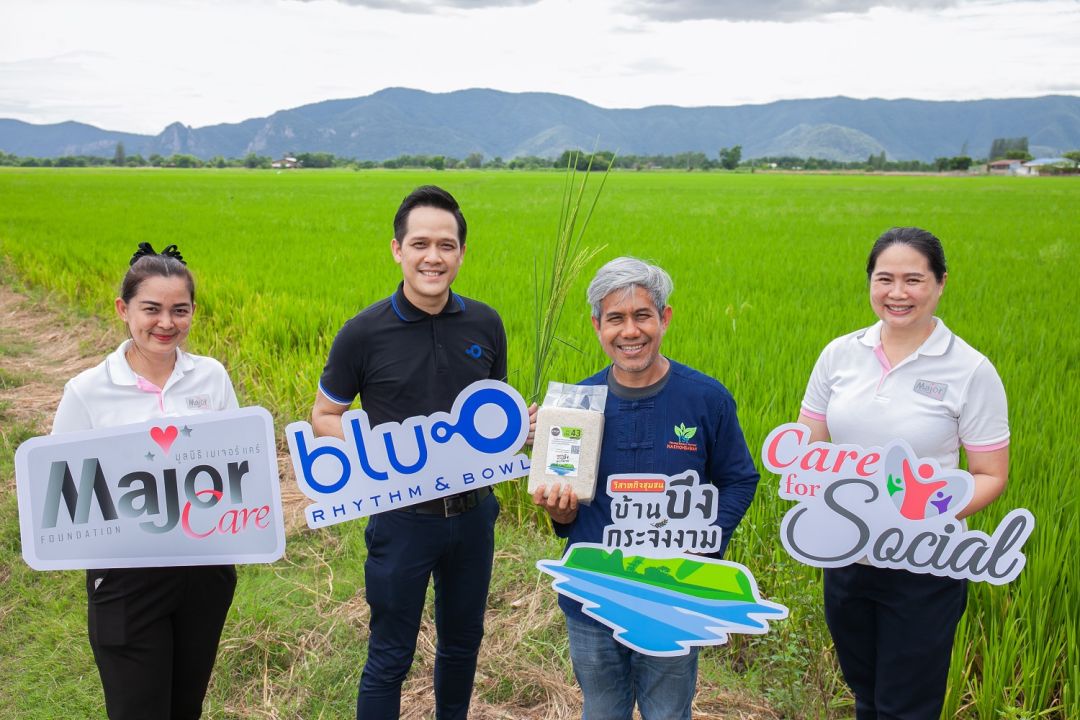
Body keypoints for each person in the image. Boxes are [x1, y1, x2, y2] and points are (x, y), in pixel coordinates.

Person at [311, 185, 510, 720]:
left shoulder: (485, 325)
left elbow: (492, 415)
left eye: (446, 245)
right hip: (400, 518)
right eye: (420, 243)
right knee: (390, 655)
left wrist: (521, 431)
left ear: (461, 254)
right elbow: (324, 415)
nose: (434, 257)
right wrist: (368, 449)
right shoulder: (363, 333)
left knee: (463, 643)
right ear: (397, 249)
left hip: (473, 517)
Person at [532, 256, 760, 720]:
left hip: (671, 595)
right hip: (593, 593)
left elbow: (739, 479)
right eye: (615, 318)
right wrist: (559, 513)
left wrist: (703, 540)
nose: (630, 331)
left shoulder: (705, 398)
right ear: (598, 325)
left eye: (642, 316)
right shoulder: (576, 410)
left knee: (668, 712)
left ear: (665, 319)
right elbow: (567, 511)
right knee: (601, 709)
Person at [797, 227, 1009, 719]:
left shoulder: (970, 370)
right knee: (866, 695)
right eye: (884, 278)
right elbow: (810, 447)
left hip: (924, 562)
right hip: (847, 556)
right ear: (870, 282)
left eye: (913, 279)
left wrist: (918, 514)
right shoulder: (840, 354)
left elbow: (989, 474)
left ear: (940, 283)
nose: (897, 293)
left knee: (905, 706)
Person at [52, 243, 239, 720]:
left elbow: (239, 466)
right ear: (123, 309)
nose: (166, 323)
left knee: (185, 705)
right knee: (138, 708)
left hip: (204, 570)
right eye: (151, 309)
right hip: (124, 577)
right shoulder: (88, 390)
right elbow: (62, 491)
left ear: (193, 312)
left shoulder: (211, 378)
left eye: (180, 310)